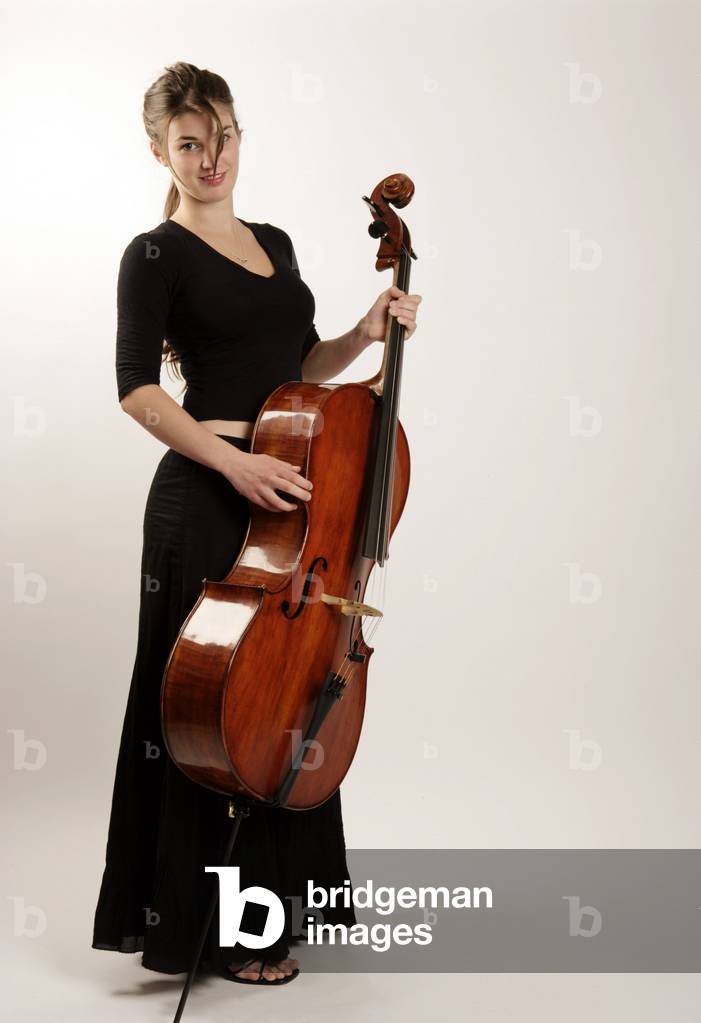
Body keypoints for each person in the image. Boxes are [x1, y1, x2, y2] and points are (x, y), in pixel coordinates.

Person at [91, 61, 422, 987]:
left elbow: (297, 365)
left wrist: (362, 333)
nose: (210, 158)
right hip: (206, 493)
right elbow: (137, 390)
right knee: (203, 702)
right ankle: (196, 925)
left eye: (222, 137)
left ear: (240, 135)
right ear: (159, 151)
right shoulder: (152, 254)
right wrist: (235, 463)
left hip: (290, 488)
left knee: (278, 699)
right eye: (188, 144)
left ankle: (264, 913)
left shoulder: (273, 241)